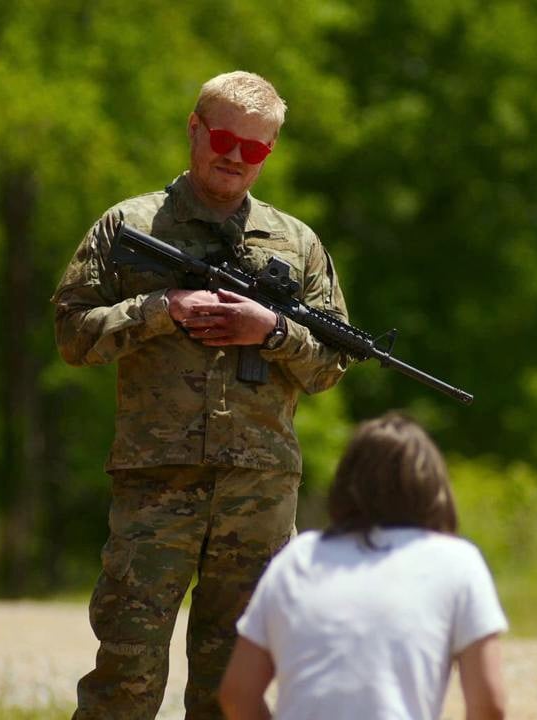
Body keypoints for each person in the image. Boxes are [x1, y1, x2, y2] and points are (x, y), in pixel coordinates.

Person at [52, 70, 353, 719]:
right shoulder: (126, 226)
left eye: (256, 149)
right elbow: (72, 336)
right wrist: (160, 310)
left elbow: (333, 365)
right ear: (194, 128)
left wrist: (271, 330)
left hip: (259, 493)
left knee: (234, 685)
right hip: (157, 483)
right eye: (224, 138)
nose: (236, 158)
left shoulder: (298, 244)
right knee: (126, 672)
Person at [218, 413, 509, 720]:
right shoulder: (457, 561)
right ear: (434, 489)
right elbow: (489, 705)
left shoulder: (299, 557)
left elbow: (237, 694)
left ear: (346, 484)